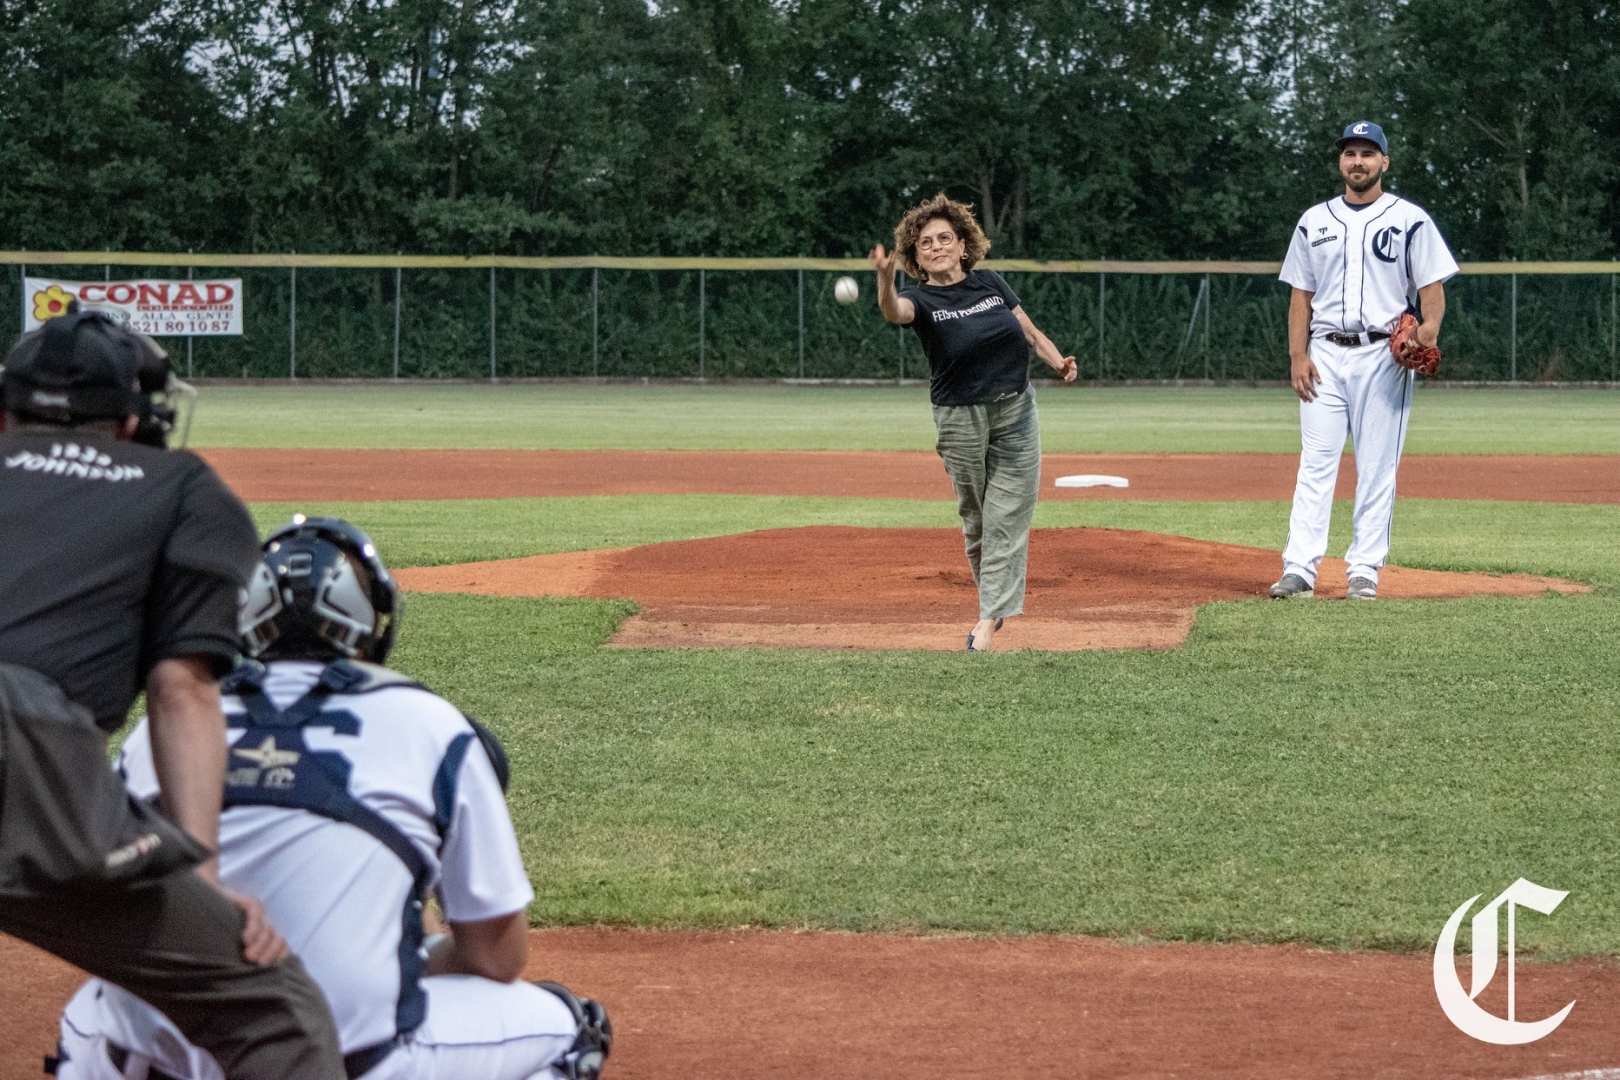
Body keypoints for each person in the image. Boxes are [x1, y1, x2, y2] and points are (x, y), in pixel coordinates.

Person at [55, 516, 613, 1080]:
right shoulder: (431, 724)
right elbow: (495, 958)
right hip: (347, 1062)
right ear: (371, 623)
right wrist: (407, 952)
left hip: (165, 1060)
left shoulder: (159, 731)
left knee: (88, 1015)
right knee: (573, 1029)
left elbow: (101, 902)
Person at [0, 310, 345, 1079]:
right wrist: (203, 878)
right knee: (271, 1010)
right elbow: (181, 688)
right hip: (27, 767)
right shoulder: (180, 485)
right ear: (132, 422)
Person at [869, 193, 1078, 652]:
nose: (937, 246)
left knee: (1009, 514)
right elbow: (894, 312)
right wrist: (885, 281)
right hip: (960, 416)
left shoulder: (990, 282)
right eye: (926, 242)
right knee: (977, 515)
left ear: (963, 245)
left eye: (945, 238)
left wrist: (1056, 361)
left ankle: (986, 620)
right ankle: (994, 602)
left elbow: (1028, 331)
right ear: (915, 256)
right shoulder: (919, 298)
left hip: (1017, 409)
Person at [1269, 121, 1458, 601]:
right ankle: (1299, 569)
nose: (1358, 161)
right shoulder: (1314, 220)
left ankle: (1364, 570)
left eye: (1368, 153)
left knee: (1377, 466)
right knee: (1315, 464)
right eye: (1350, 153)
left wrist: (1426, 333)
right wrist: (1297, 354)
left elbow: (1431, 289)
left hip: (1382, 357)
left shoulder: (1410, 219)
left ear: (1384, 163)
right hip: (1324, 354)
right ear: (1340, 162)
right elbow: (1300, 295)